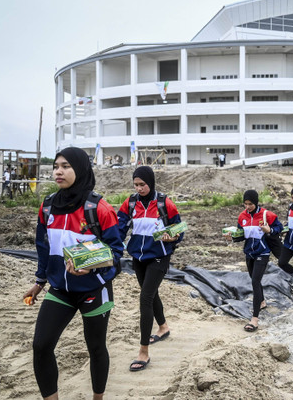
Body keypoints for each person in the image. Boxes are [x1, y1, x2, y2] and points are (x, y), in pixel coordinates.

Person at [23, 147, 124, 400]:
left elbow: (117, 255)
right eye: (56, 166)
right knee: (41, 346)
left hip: (94, 290)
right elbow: (44, 248)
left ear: (80, 169)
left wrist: (92, 267)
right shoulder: (47, 207)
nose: (59, 171)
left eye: (66, 166)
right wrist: (39, 281)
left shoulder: (99, 208)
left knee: (96, 348)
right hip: (60, 290)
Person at [117, 166, 184, 372]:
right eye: (136, 185)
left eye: (142, 185)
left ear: (151, 183)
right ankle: (163, 327)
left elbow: (179, 229)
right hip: (138, 256)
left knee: (145, 298)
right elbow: (119, 228)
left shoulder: (165, 203)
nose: (139, 189)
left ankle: (143, 351)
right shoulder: (130, 203)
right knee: (151, 294)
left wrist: (172, 236)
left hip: (159, 256)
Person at [223, 190, 283, 332]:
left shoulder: (266, 215)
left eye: (250, 204)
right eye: (246, 203)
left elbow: (279, 228)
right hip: (249, 253)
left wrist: (269, 230)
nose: (248, 206)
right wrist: (231, 238)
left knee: (255, 281)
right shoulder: (242, 216)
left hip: (263, 252)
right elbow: (241, 235)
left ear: (256, 203)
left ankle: (254, 319)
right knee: (253, 278)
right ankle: (261, 301)